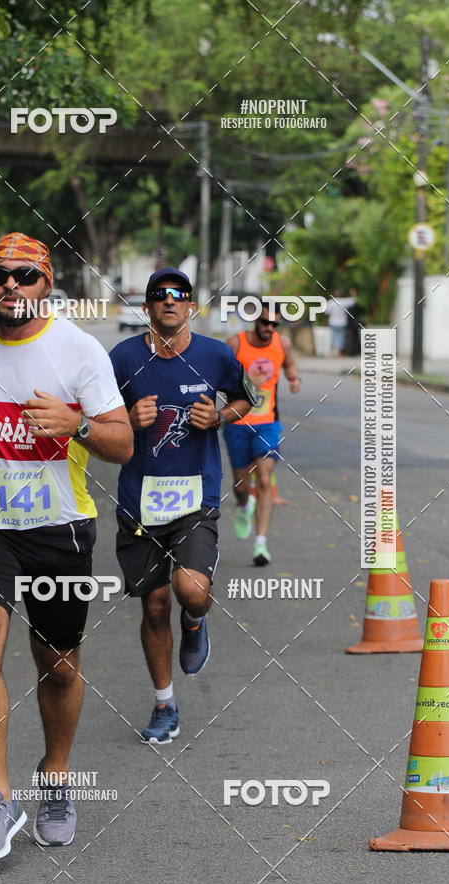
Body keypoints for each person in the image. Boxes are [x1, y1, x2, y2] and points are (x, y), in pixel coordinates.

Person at [0, 233, 132, 863]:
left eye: (24, 275)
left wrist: (79, 425)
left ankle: (58, 778)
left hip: (59, 526)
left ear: (47, 283)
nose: (9, 285)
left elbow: (122, 444)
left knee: (59, 664)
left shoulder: (79, 350)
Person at [110, 267, 256, 745]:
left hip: (196, 498)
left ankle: (195, 621)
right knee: (153, 607)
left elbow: (244, 399)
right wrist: (129, 420)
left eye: (179, 295)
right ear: (148, 306)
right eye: (159, 295)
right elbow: (97, 417)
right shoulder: (123, 357)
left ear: (191, 305)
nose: (169, 301)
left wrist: (218, 416)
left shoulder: (215, 355)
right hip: (138, 504)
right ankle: (164, 703)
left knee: (190, 590)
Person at [224, 302, 300, 565]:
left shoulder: (283, 344)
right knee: (241, 487)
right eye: (265, 323)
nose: (269, 329)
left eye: (274, 324)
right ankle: (246, 506)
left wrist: (293, 379)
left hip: (268, 423)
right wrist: (244, 381)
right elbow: (218, 377)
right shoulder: (235, 343)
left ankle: (260, 544)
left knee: (265, 479)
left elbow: (289, 364)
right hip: (236, 423)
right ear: (255, 321)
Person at [326, 289, 356, 357]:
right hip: (342, 323)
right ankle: (340, 353)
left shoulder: (330, 302)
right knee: (341, 338)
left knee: (333, 337)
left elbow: (326, 312)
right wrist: (353, 293)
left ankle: (331, 353)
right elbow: (353, 300)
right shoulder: (344, 301)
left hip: (333, 322)